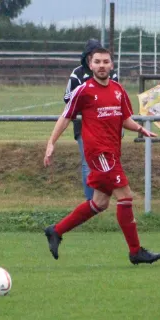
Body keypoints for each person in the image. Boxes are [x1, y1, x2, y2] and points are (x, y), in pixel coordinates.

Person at [43, 47, 160, 265]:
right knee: (125, 196)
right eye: (97, 62)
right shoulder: (83, 90)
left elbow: (124, 118)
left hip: (113, 153)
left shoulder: (118, 90)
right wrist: (51, 142)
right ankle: (135, 251)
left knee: (99, 203)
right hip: (99, 153)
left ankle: (56, 230)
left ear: (112, 65)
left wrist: (139, 129)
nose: (101, 65)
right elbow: (66, 116)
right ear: (90, 65)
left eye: (105, 62)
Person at [64, 38, 119, 201]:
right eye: (92, 57)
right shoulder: (77, 74)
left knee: (110, 162)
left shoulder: (112, 74)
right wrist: (87, 102)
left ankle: (103, 199)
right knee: (87, 165)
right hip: (83, 126)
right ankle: (90, 201)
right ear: (87, 58)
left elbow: (115, 97)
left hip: (107, 126)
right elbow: (67, 98)